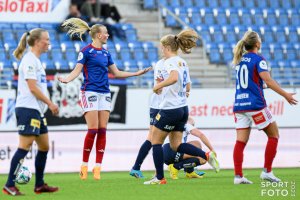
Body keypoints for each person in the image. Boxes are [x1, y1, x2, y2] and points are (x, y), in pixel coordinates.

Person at [57, 18, 151, 180]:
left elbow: (117, 73)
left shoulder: (106, 53)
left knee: (102, 130)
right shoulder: (86, 51)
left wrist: (136, 73)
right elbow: (77, 70)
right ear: (99, 35)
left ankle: (98, 167)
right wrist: (67, 79)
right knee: (92, 130)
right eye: (106, 33)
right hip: (89, 92)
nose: (108, 35)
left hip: (105, 93)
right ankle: (84, 165)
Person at [143, 29, 220, 185]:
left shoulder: (170, 62)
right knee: (176, 145)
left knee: (156, 142)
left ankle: (159, 178)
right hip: (183, 108)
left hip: (169, 109)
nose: (161, 50)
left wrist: (157, 86)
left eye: (161, 47)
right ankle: (206, 155)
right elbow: (188, 86)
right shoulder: (182, 62)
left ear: (166, 47)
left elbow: (173, 78)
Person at [232, 31, 298, 184]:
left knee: (240, 142)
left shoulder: (240, 60)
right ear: (257, 44)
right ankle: (267, 172)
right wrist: (285, 94)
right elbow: (267, 79)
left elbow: (251, 82)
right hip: (255, 105)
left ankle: (238, 176)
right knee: (274, 135)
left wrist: (262, 86)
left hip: (239, 106)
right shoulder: (259, 59)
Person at [2, 28, 59, 196]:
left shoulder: (35, 60)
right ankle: (9, 185)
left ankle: (39, 184)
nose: (49, 42)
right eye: (46, 39)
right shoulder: (29, 60)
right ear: (37, 42)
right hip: (28, 109)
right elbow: (32, 88)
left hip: (36, 111)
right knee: (25, 146)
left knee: (44, 146)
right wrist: (51, 103)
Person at [129, 57, 168, 178]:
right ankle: (154, 172)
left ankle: (137, 167)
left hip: (161, 104)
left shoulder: (170, 62)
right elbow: (159, 86)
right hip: (159, 104)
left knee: (153, 138)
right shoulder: (163, 64)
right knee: (154, 138)